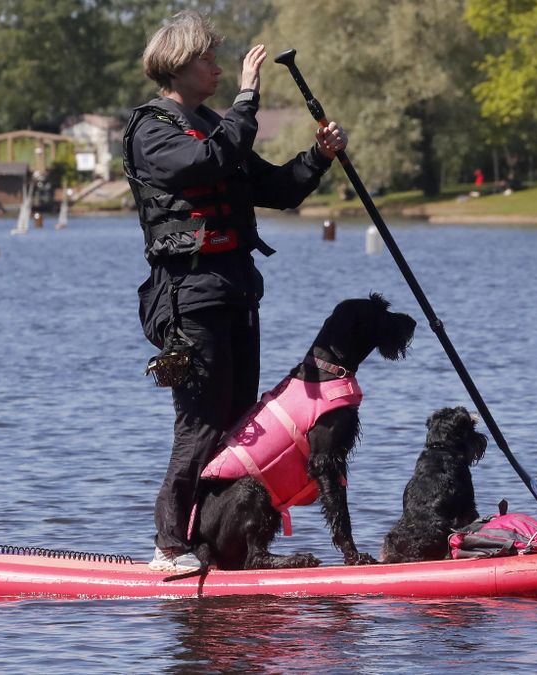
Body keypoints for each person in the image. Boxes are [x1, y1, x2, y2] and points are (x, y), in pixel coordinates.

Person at [123, 11, 347, 571]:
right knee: (199, 428)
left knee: (239, 428)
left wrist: (317, 158)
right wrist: (247, 99)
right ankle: (169, 547)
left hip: (236, 294)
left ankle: (219, 544)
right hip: (188, 301)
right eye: (207, 58)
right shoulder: (153, 131)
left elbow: (275, 188)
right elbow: (207, 163)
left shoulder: (215, 127)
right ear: (178, 65)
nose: (217, 67)